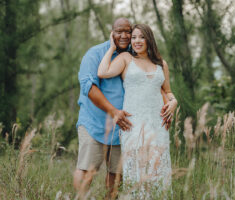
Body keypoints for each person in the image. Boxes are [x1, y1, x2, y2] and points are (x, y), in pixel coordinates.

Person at [73, 19, 171, 199]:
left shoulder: (134, 55)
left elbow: (153, 85)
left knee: (116, 174)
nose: (125, 36)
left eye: (129, 32)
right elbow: (89, 88)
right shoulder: (95, 53)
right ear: (111, 32)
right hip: (96, 123)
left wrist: (168, 105)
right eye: (119, 31)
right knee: (87, 169)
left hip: (125, 126)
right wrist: (113, 111)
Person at [98, 24, 178, 198]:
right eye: (133, 37)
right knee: (136, 173)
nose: (136, 41)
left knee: (158, 172)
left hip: (158, 125)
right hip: (133, 126)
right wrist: (112, 47)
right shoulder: (126, 58)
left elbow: (168, 91)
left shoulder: (161, 64)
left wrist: (174, 102)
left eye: (141, 37)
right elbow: (103, 72)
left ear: (149, 39)